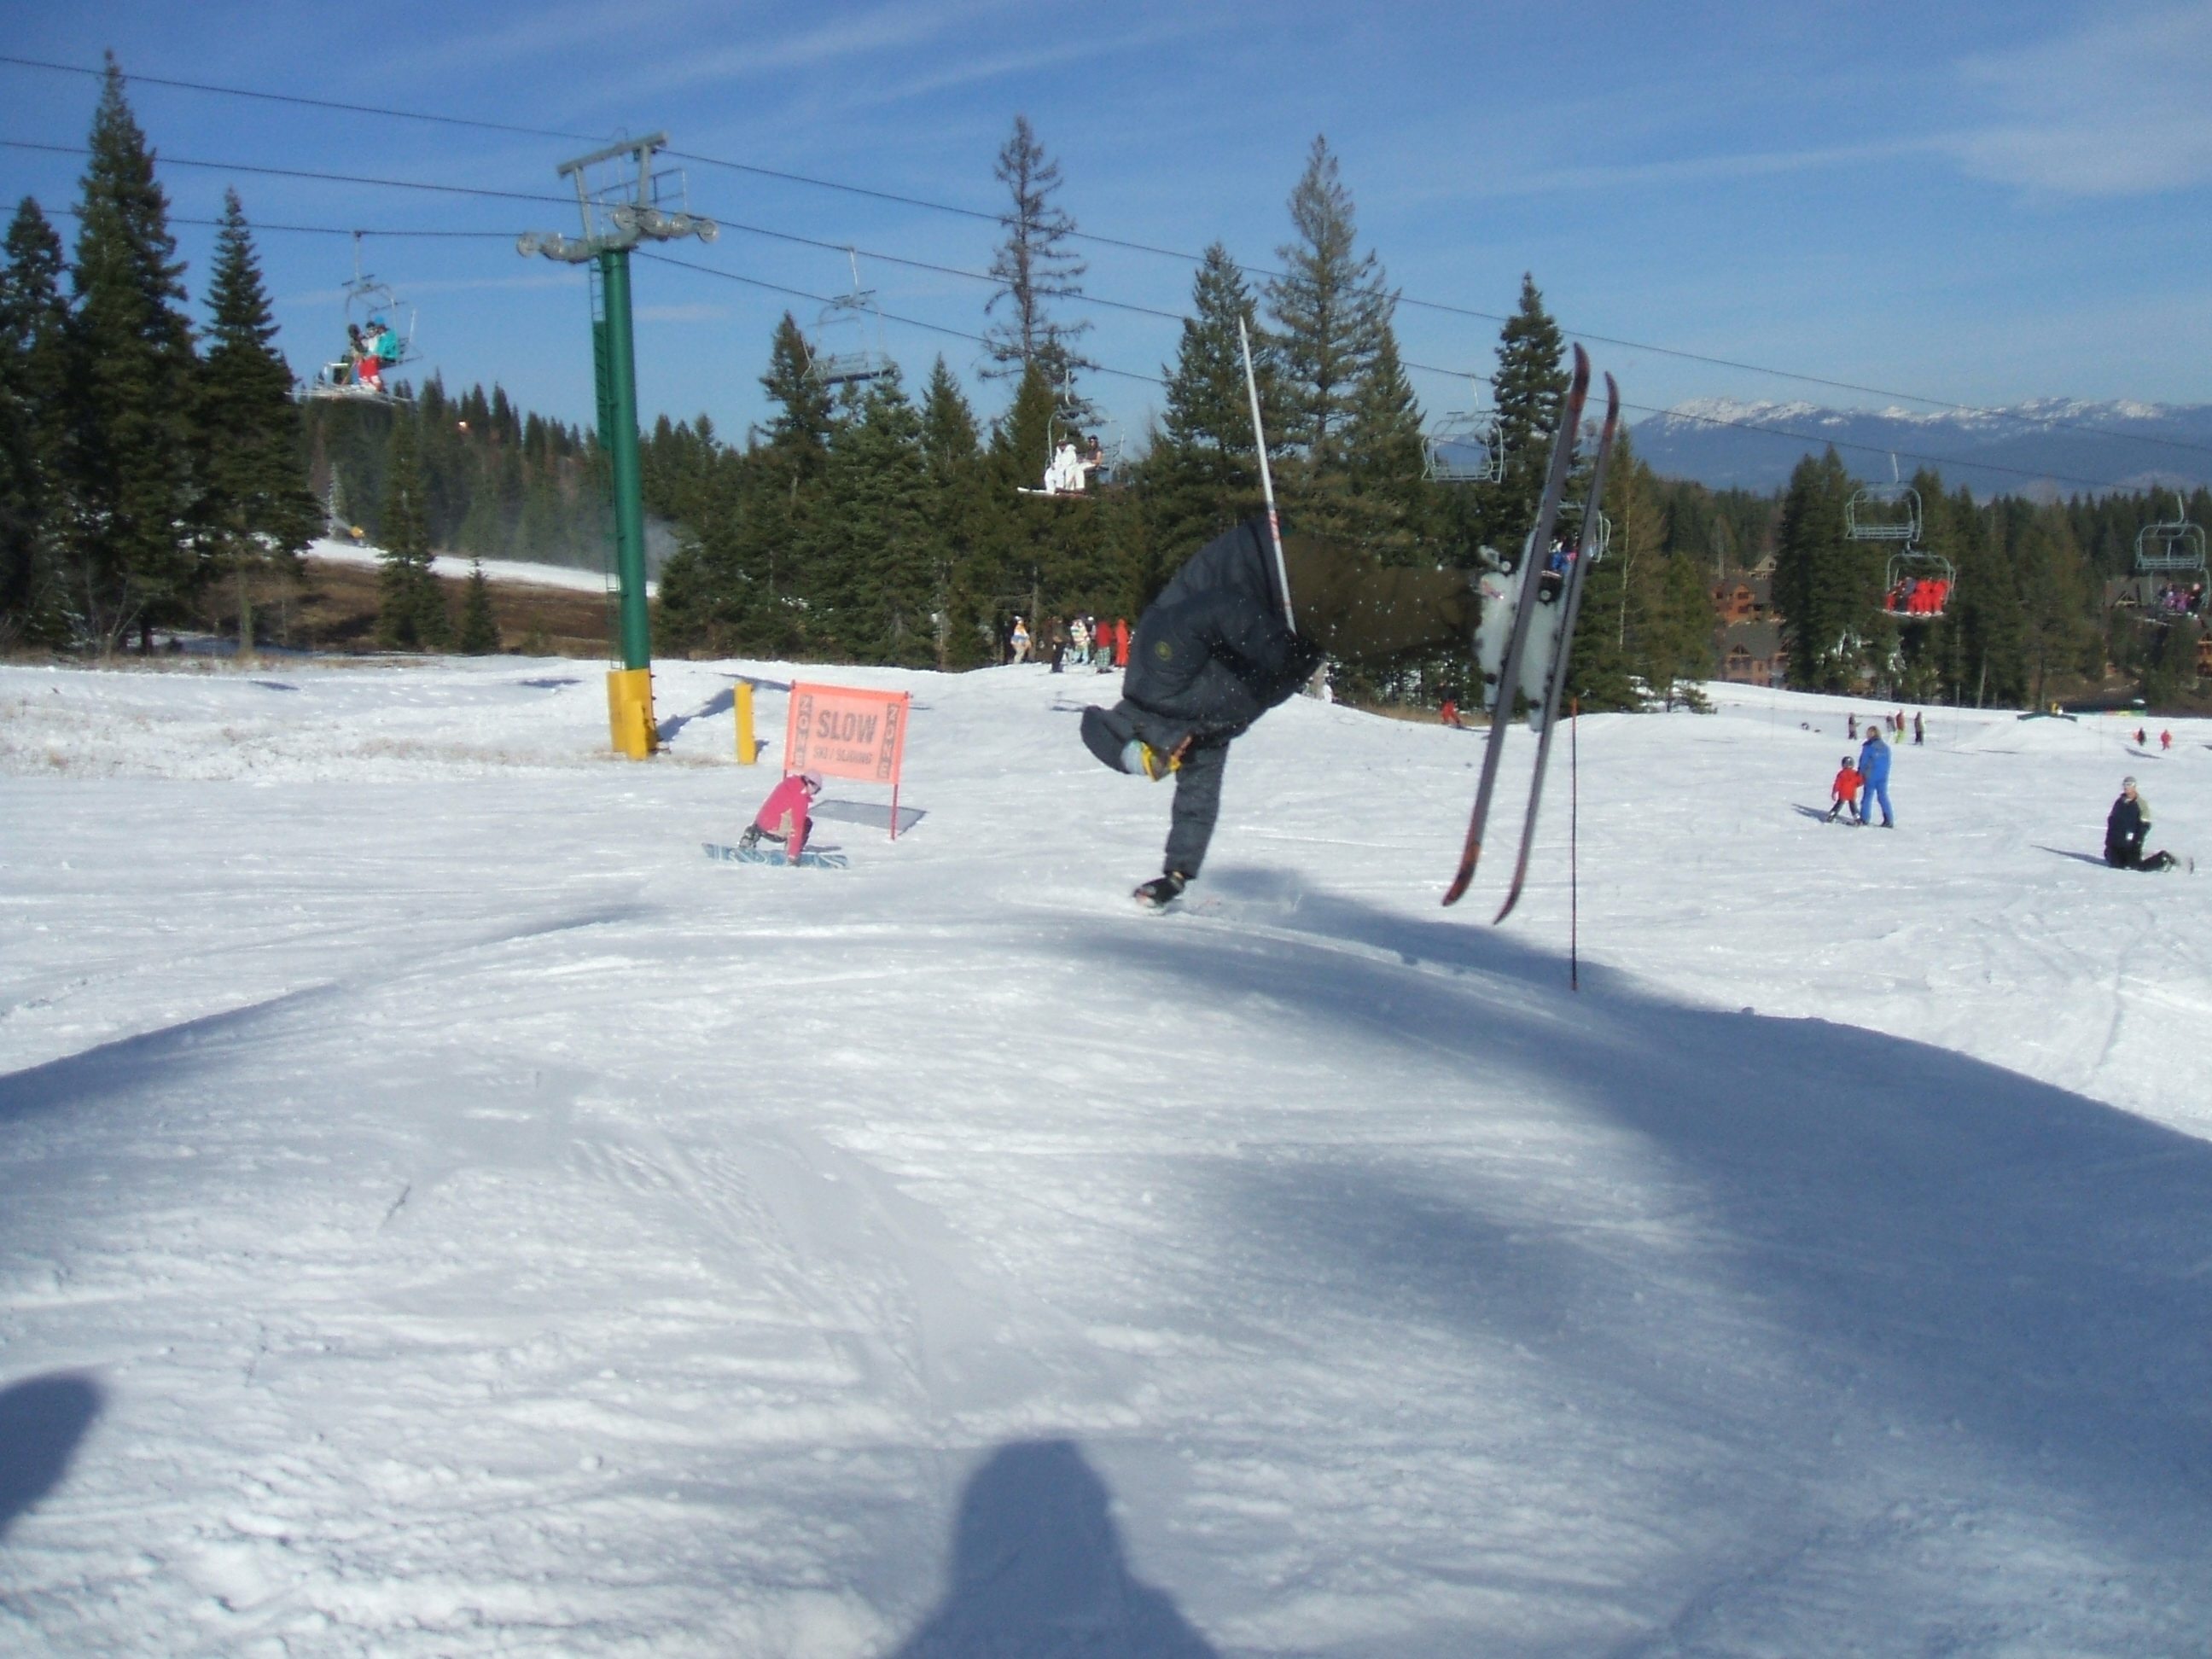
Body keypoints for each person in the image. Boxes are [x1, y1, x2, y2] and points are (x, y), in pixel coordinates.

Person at [1080, 518, 1478, 907]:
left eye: (1160, 760)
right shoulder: (1196, 734)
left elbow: (1213, 611)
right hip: (1286, 616)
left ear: (1145, 732)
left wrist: (1275, 651)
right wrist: (1177, 875)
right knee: (1387, 643)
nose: (1176, 762)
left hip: (1269, 566)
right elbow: (1195, 803)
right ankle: (1493, 636)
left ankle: (1481, 599)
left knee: (1357, 618)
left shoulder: (1155, 670)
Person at [741, 771, 822, 860]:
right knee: (806, 823)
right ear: (810, 783)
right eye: (816, 790)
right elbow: (797, 826)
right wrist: (793, 855)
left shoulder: (787, 784)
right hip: (775, 832)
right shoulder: (801, 797)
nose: (814, 794)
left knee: (775, 811)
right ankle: (791, 849)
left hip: (760, 823)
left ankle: (750, 836)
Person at [2104, 777, 2178, 871]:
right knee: (2117, 864)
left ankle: (2163, 859)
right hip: (2117, 842)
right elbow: (2112, 821)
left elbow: (2145, 824)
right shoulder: (2119, 803)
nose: (2126, 788)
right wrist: (2109, 840)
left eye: (2129, 785)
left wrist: (2138, 839)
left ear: (2134, 787)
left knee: (2135, 865)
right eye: (2125, 785)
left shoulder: (2140, 804)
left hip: (2131, 842)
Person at [1858, 725, 1895, 827]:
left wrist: (1860, 773)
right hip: (1883, 776)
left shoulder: (1869, 747)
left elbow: (1864, 761)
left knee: (1867, 797)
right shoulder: (1885, 747)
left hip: (1871, 776)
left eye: (1869, 733)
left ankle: (1864, 818)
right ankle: (1889, 819)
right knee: (1883, 797)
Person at [1826, 754, 1863, 823]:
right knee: (1853, 806)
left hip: (1843, 794)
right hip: (1852, 794)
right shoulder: (1855, 773)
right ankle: (1857, 818)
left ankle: (1832, 815)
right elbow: (1860, 782)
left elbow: (1837, 783)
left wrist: (1834, 792)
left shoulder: (1841, 774)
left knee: (1839, 805)